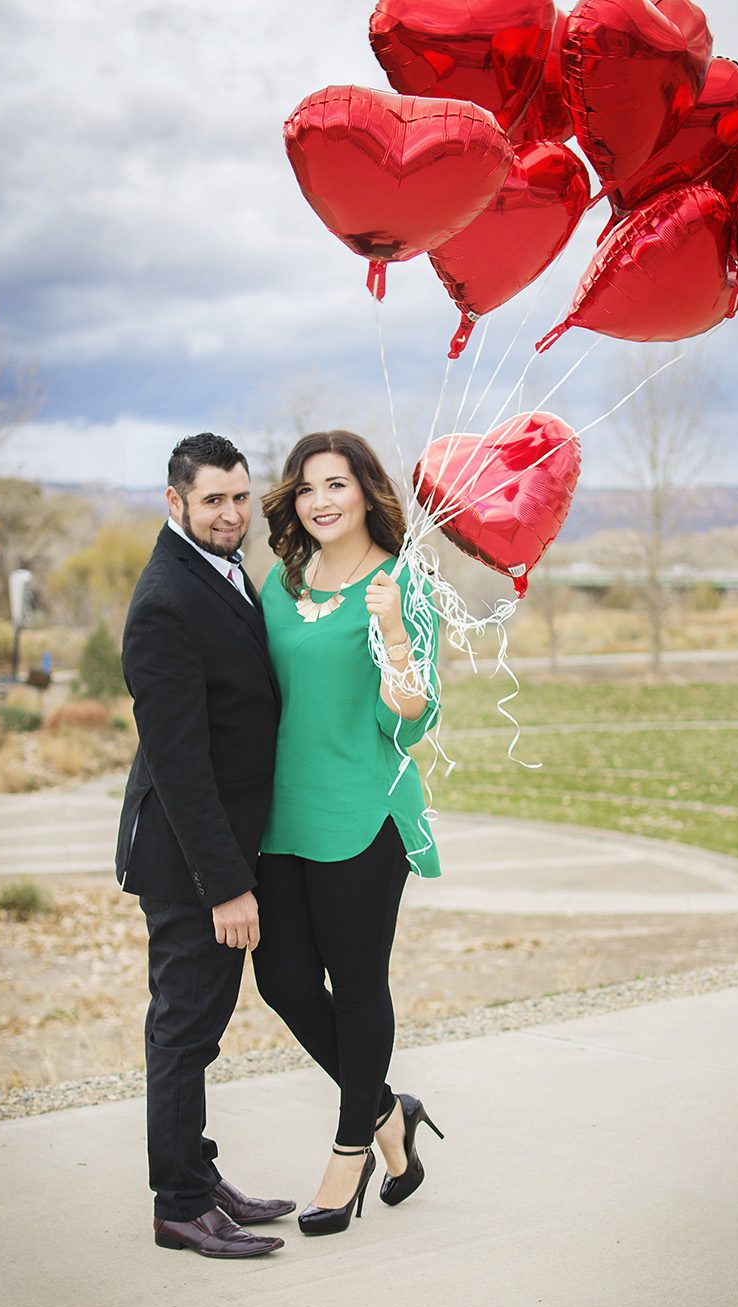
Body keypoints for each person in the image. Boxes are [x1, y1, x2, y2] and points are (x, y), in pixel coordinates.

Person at [255, 429, 443, 1237]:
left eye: (335, 484)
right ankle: (387, 1112)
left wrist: (396, 630)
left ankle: (348, 1148)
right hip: (278, 818)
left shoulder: (403, 581)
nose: (320, 501)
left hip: (364, 813)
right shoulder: (282, 579)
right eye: (305, 488)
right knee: (283, 980)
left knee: (358, 982)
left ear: (367, 490)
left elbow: (414, 711)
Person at [115, 433, 294, 1259]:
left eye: (238, 497)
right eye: (211, 500)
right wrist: (226, 886)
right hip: (190, 859)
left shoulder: (221, 574)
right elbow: (182, 767)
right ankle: (179, 1204)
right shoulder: (164, 603)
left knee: (203, 1023)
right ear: (175, 501)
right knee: (185, 1028)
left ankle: (198, 1170)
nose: (229, 514)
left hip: (219, 846)